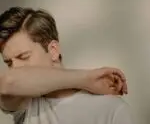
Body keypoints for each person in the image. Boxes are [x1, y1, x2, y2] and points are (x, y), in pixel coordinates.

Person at [0, 7, 132, 124]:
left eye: (23, 57)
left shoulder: (110, 108)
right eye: (9, 63)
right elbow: (8, 82)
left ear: (53, 50)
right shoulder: (24, 103)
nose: (14, 68)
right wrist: (87, 78)